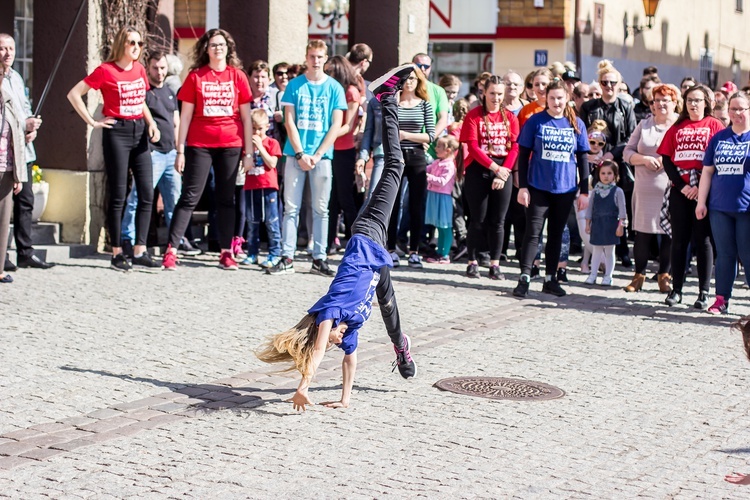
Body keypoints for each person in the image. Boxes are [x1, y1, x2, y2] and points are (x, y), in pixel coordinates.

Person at [255, 64, 418, 411]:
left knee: (396, 165)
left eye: (333, 339)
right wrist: (344, 400)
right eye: (338, 340)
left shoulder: (331, 311)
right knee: (388, 307)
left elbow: (316, 351)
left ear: (321, 331)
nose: (338, 339)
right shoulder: (351, 327)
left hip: (367, 236)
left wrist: (305, 386)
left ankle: (386, 97)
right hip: (378, 257)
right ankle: (401, 350)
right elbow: (349, 363)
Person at [67, 26, 161, 271]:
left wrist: (152, 124)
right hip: (116, 132)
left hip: (139, 131)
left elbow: (139, 101)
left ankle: (140, 249)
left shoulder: (140, 69)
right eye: (132, 43)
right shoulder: (106, 71)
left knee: (147, 193)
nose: (137, 48)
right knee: (119, 194)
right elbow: (75, 94)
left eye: (139, 44)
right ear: (122, 44)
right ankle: (117, 252)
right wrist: (92, 121)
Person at [159, 28, 253, 271]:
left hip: (231, 145)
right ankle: (171, 250)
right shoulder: (196, 77)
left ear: (228, 48)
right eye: (213, 45)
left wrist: (249, 152)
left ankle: (226, 252)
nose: (217, 48)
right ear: (206, 49)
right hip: (200, 145)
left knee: (226, 199)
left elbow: (246, 118)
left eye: (221, 44)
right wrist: (180, 150)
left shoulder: (238, 76)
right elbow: (186, 116)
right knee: (189, 196)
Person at [267, 40, 346, 277]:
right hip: (294, 154)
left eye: (320, 57)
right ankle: (287, 256)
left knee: (321, 209)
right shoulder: (294, 85)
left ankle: (319, 258)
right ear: (306, 57)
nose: (316, 61)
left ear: (325, 58)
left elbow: (337, 124)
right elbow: (289, 120)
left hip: (322, 157)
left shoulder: (334, 88)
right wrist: (301, 153)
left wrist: (318, 153)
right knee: (291, 208)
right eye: (312, 56)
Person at [512, 79, 590, 298]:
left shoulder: (576, 124)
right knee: (533, 233)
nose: (556, 102)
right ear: (546, 98)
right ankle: (525, 278)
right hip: (538, 187)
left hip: (565, 189)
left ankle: (550, 279)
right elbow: (524, 155)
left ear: (568, 99)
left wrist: (584, 191)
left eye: (560, 98)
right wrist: (523, 187)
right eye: (552, 98)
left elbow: (583, 158)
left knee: (556, 234)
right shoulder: (536, 121)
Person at [657, 84, 724, 308]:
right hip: (680, 190)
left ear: (706, 103)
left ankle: (704, 292)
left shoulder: (715, 125)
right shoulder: (677, 126)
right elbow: (666, 158)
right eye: (689, 100)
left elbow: (718, 159)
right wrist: (682, 185)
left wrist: (700, 188)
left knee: (704, 241)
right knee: (679, 241)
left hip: (705, 191)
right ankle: (676, 290)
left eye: (697, 100)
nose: (693, 104)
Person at [119, 50, 181, 258]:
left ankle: (174, 245)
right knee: (138, 198)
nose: (160, 72)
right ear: (148, 68)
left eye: (163, 68)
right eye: (155, 68)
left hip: (171, 153)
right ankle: (128, 238)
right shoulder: (144, 92)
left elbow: (176, 121)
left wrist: (180, 149)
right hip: (151, 153)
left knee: (175, 202)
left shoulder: (170, 93)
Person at [695, 91, 750, 314]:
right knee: (725, 254)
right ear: (728, 112)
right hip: (720, 208)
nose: (737, 113)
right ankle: (721, 299)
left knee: (747, 254)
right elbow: (707, 172)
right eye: (733, 109)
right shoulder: (719, 138)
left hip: (746, 208)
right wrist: (701, 202)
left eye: (742, 109)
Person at [459, 76, 519, 279]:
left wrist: (504, 172)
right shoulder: (474, 115)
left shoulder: (510, 117)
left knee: (498, 221)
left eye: (500, 94)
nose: (496, 97)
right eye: (492, 93)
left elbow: (514, 147)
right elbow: (473, 147)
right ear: (484, 92)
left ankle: (495, 263)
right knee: (478, 219)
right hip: (480, 169)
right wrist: (494, 168)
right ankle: (473, 261)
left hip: (504, 170)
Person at [0, 33, 51, 271]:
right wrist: (23, 125)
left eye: (11, 48)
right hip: (5, 154)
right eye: (2, 49)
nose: (8, 53)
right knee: (3, 207)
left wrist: (32, 126)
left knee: (25, 202)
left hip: (24, 152)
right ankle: (3, 254)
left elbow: (25, 108)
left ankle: (25, 252)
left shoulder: (17, 78)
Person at [622, 83, 679, 293]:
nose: (661, 104)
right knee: (642, 234)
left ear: (674, 103)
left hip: (670, 186)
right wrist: (644, 159)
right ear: (652, 104)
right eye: (657, 100)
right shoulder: (644, 125)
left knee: (668, 234)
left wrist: (668, 162)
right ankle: (639, 275)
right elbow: (627, 152)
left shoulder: (678, 126)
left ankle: (664, 275)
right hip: (644, 187)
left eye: (666, 100)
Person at [580, 60, 637, 268]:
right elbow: (581, 134)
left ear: (619, 84)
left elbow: (631, 136)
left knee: (618, 207)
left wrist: (612, 154)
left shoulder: (625, 107)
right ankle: (592, 252)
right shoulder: (588, 107)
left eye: (613, 82)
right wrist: (590, 154)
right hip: (594, 162)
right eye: (604, 82)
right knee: (595, 207)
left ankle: (621, 250)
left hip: (618, 164)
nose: (608, 86)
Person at [386, 67, 435, 269]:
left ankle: (414, 251)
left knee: (416, 205)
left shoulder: (424, 105)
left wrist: (406, 135)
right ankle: (390, 249)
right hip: (395, 157)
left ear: (419, 81)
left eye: (414, 79)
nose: (409, 82)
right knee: (393, 205)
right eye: (406, 79)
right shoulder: (392, 103)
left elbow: (430, 135)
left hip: (416, 156)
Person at [325, 55, 362, 255]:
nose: (327, 74)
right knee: (331, 200)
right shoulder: (332, 89)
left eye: (330, 70)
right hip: (330, 149)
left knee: (345, 199)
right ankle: (329, 242)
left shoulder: (351, 91)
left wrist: (326, 136)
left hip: (343, 150)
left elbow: (348, 125)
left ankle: (354, 241)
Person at [242, 108, 283, 267]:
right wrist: (250, 152)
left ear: (267, 127)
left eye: (259, 128)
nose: (256, 132)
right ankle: (252, 253)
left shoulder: (272, 143)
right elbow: (245, 167)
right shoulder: (247, 145)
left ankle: (274, 253)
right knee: (252, 222)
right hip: (251, 186)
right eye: (253, 128)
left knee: (271, 222)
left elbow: (272, 163)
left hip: (268, 187)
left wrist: (261, 147)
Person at [0, 71, 28, 283]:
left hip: (6, 168)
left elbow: (16, 140)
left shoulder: (8, 102)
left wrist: (18, 174)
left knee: (2, 221)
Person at [584, 160, 627, 286]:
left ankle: (608, 276)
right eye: (603, 173)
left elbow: (622, 211)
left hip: (611, 225)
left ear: (615, 175)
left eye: (609, 173)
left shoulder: (617, 191)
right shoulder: (595, 191)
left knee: (609, 251)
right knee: (596, 250)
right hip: (597, 224)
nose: (606, 176)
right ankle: (593, 275)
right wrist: (588, 223)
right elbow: (590, 208)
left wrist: (621, 226)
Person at [576, 119, 610, 274]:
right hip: (582, 195)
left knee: (594, 230)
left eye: (600, 143)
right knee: (585, 231)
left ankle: (585, 262)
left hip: (601, 198)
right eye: (592, 142)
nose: (595, 146)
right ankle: (603, 260)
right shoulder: (579, 156)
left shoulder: (606, 160)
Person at [424, 135, 458, 264]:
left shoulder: (449, 165)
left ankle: (445, 254)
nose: (436, 148)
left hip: (443, 198)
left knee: (445, 227)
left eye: (439, 146)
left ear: (448, 150)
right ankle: (439, 252)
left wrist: (428, 176)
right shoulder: (437, 162)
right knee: (439, 226)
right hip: (435, 195)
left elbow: (443, 181)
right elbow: (426, 168)